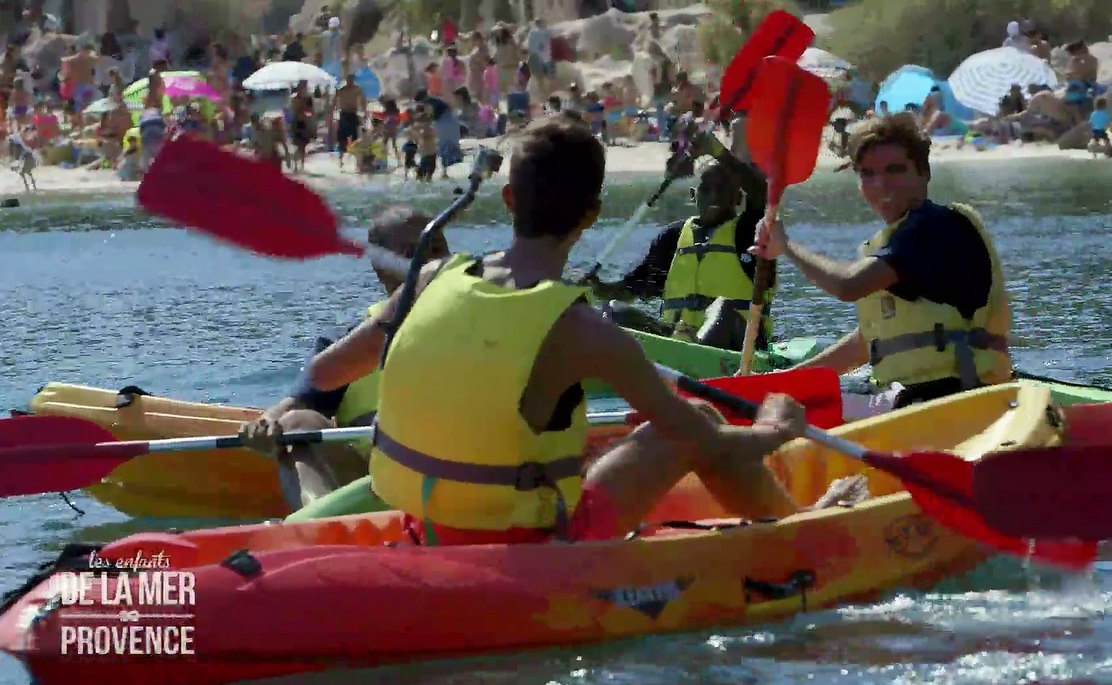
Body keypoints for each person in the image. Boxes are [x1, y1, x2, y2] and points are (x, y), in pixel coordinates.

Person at [298, 116, 851, 547]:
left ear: (510, 199)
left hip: (428, 524)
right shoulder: (587, 331)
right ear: (591, 215)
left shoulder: (430, 277)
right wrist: (776, 432)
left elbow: (325, 372)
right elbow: (698, 441)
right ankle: (802, 528)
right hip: (538, 544)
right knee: (700, 417)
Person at [751, 113, 1013, 408]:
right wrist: (790, 379)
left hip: (950, 398)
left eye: (895, 170)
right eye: (867, 174)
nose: (881, 184)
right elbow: (866, 344)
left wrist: (785, 246)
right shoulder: (889, 241)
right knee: (787, 396)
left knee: (780, 409)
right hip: (919, 395)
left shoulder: (933, 227)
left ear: (924, 172)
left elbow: (847, 286)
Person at [241, 208, 449, 509]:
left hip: (458, 470)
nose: (431, 261)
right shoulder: (343, 343)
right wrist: (264, 425)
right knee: (298, 423)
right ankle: (325, 526)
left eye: (437, 248)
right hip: (374, 482)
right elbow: (294, 405)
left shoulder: (478, 320)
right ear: (380, 266)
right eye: (413, 252)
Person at [586, 129, 773, 351]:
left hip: (736, 346)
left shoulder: (749, 232)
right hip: (678, 342)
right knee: (612, 310)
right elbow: (633, 289)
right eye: (706, 189)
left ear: (738, 198)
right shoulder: (672, 238)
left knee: (725, 308)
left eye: (722, 190)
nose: (713, 196)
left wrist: (718, 152)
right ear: (694, 196)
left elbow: (762, 193)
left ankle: (693, 352)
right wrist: (596, 288)